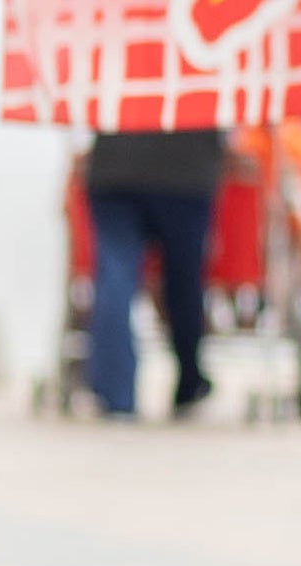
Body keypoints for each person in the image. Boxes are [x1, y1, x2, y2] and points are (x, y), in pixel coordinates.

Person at [82, 124, 227, 419]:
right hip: (187, 165)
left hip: (116, 162)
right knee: (184, 280)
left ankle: (116, 395)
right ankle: (189, 381)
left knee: (115, 276)